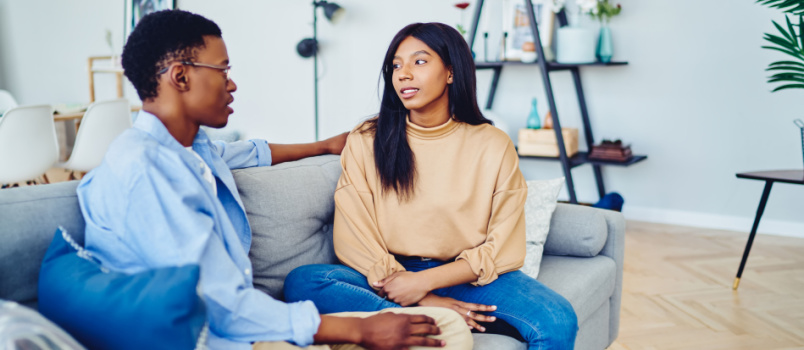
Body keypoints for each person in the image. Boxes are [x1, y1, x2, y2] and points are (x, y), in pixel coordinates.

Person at [77, 10, 471, 350]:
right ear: (180, 76)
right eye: (223, 70)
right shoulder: (145, 169)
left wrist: (325, 145)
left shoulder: (191, 149)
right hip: (208, 337)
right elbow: (219, 303)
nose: (231, 84)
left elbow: (251, 151)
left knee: (445, 328)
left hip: (250, 326)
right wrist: (360, 329)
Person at [284, 22, 578, 349]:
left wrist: (424, 283)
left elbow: (504, 244)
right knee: (304, 282)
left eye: (419, 61)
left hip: (463, 275)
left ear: (451, 72)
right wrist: (424, 298)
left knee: (557, 319)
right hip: (387, 275)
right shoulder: (367, 139)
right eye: (396, 65)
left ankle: (422, 317)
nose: (403, 74)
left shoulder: (492, 144)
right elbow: (355, 232)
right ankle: (429, 318)